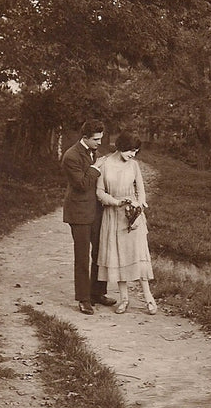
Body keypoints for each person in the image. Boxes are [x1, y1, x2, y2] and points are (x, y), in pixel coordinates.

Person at [96, 131, 157, 315]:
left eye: (136, 151)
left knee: (137, 255)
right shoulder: (105, 165)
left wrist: (138, 206)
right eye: (130, 150)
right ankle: (124, 299)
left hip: (132, 215)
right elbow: (99, 192)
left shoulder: (134, 165)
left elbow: (141, 190)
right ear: (120, 147)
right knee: (118, 256)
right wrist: (115, 202)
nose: (133, 155)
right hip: (113, 214)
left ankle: (149, 299)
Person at [61, 119, 117, 315]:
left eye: (100, 139)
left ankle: (97, 293)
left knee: (100, 253)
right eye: (95, 140)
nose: (99, 143)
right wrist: (96, 168)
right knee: (82, 256)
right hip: (78, 213)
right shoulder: (71, 156)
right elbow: (82, 184)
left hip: (96, 211)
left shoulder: (95, 152)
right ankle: (84, 299)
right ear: (84, 137)